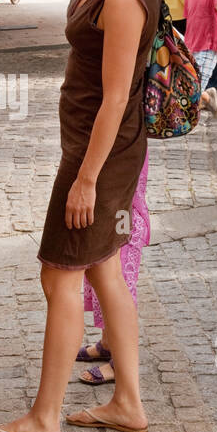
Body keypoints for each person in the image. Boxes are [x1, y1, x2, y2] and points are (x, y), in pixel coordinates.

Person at [0, 0, 158, 432]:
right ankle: (127, 402)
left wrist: (85, 180)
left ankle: (44, 419)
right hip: (103, 151)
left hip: (98, 155)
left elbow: (113, 99)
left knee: (59, 275)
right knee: (104, 270)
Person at [76, 153, 150, 386]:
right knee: (105, 254)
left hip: (119, 163)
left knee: (119, 264)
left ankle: (122, 361)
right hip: (115, 161)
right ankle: (109, 342)